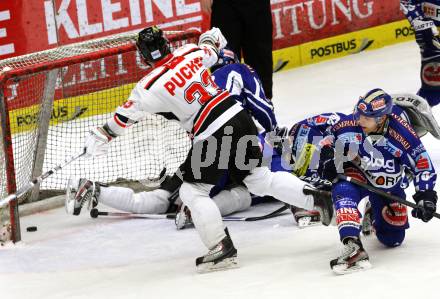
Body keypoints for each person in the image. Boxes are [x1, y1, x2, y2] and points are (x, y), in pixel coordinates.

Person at [72, 25, 333, 273]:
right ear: (166, 44)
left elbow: (120, 120)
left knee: (192, 190)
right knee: (258, 178)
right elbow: (211, 49)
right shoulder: (189, 52)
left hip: (211, 132)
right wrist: (211, 37)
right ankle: (316, 198)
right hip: (238, 117)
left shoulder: (147, 88)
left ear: (142, 57)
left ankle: (221, 247)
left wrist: (98, 137)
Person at [318, 88, 437, 274]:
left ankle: (372, 211)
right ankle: (353, 246)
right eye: (359, 113)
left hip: (387, 183)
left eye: (367, 117)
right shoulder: (348, 124)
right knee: (342, 190)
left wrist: (426, 196)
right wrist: (326, 160)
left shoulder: (401, 132)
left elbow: (422, 163)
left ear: (382, 118)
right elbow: (326, 141)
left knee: (392, 239)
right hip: (356, 174)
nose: (359, 119)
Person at [200, 0, 274, 99]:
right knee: (224, 56)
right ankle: (229, 105)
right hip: (224, 5)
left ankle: (264, 102)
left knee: (260, 55)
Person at [400, 0, 440, 106]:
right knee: (431, 95)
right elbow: (407, 4)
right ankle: (409, 119)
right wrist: (422, 25)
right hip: (433, 45)